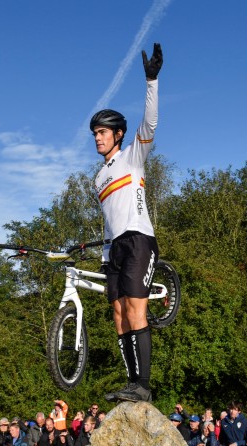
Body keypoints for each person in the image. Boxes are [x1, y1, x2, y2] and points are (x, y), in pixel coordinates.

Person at [93, 42, 163, 403]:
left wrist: (151, 80)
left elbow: (149, 122)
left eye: (102, 132)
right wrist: (104, 253)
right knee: (119, 315)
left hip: (138, 239)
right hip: (115, 246)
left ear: (117, 134)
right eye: (95, 134)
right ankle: (131, 380)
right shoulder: (98, 178)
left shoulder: (132, 156)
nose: (97, 138)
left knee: (136, 310)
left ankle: (144, 386)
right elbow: (107, 221)